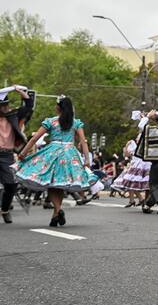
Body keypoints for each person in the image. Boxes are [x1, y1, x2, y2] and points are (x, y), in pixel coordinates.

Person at [15, 96, 93, 227]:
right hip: (70, 154)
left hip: (52, 153)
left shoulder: (51, 122)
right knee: (60, 183)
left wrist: (23, 153)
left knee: (52, 183)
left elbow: (34, 139)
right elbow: (83, 141)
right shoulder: (75, 123)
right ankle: (55, 214)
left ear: (58, 107)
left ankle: (57, 211)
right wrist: (86, 159)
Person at [0, 85, 34, 223]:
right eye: (2, 105)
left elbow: (28, 106)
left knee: (11, 185)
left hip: (7, 154)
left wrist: (21, 92)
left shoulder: (13, 115)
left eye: (6, 104)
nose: (5, 107)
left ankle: (5, 209)